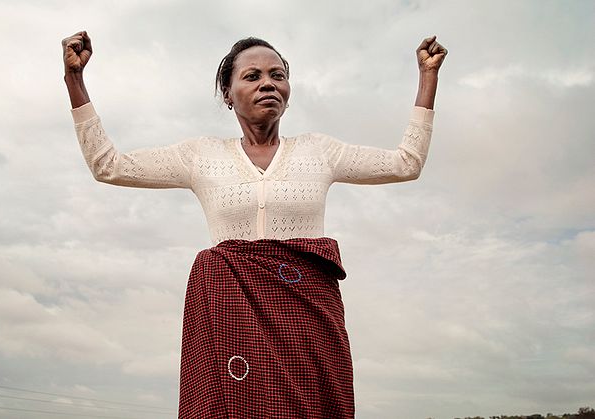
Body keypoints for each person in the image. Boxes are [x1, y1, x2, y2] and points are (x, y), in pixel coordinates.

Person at [62, 31, 446, 419]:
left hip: (308, 319)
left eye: (277, 75)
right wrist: (74, 80)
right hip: (230, 316)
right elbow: (107, 165)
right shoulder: (201, 156)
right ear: (228, 95)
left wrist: (427, 77)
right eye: (252, 76)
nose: (268, 83)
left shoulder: (320, 151)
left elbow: (406, 163)